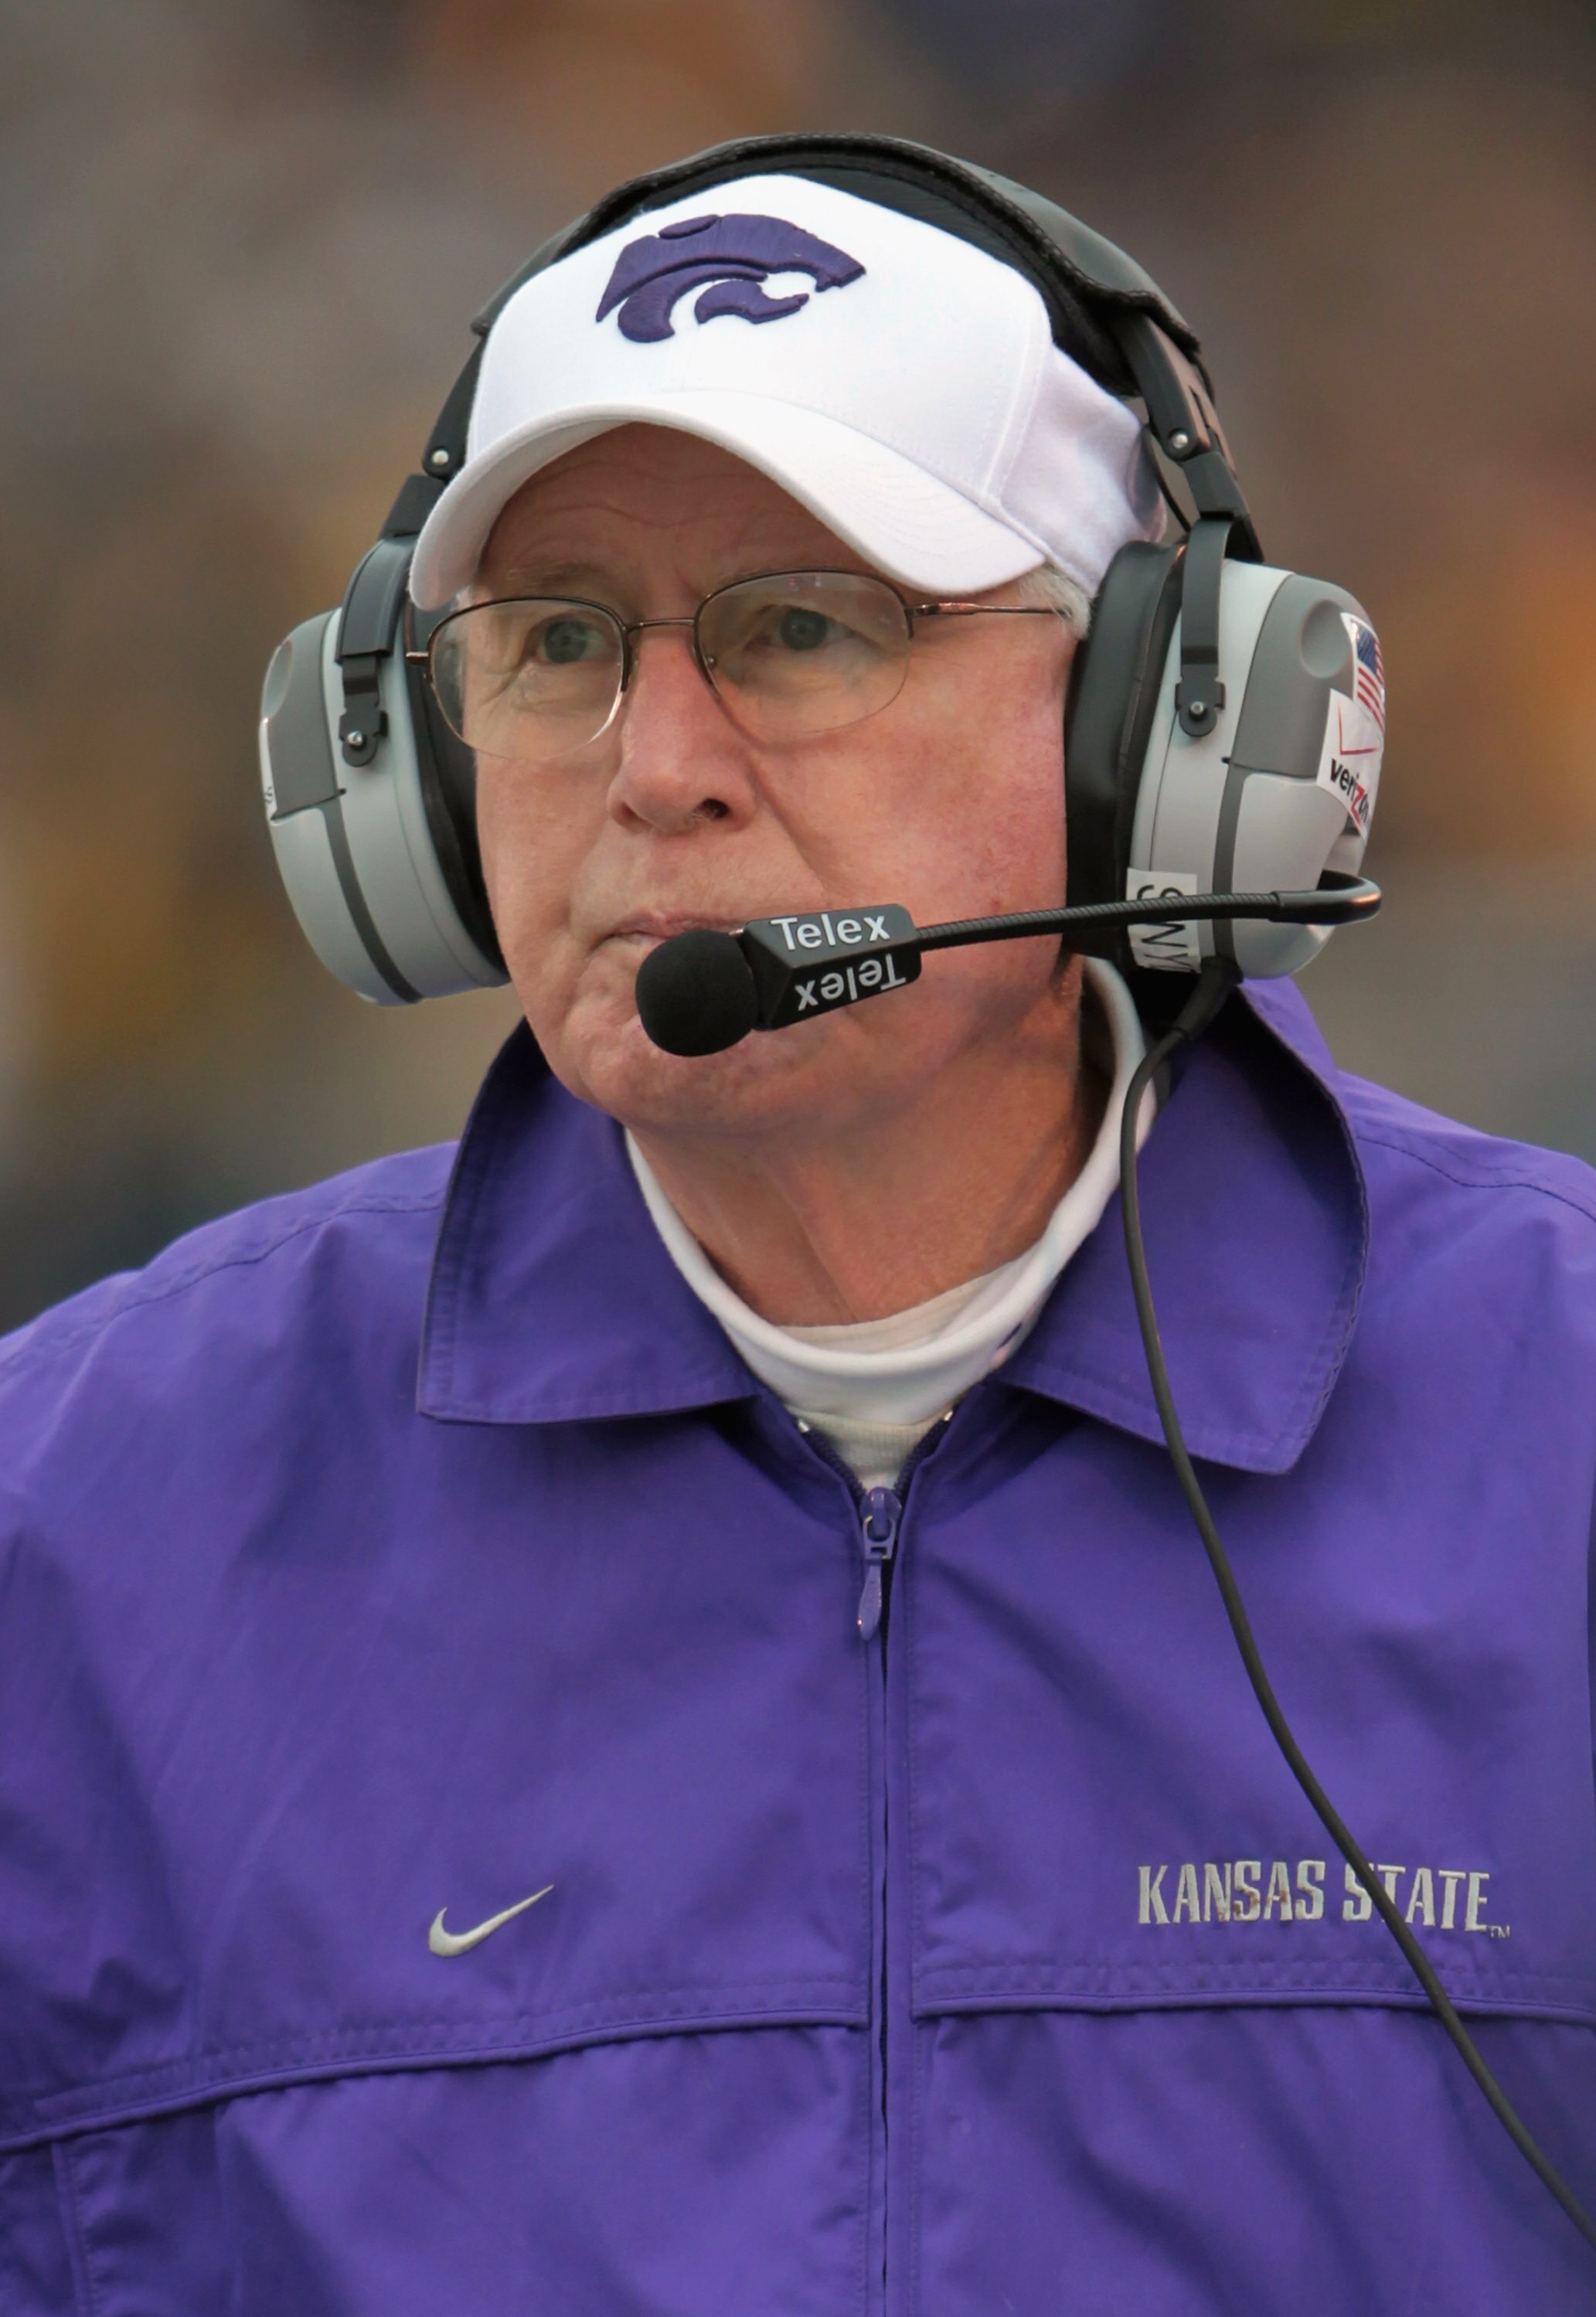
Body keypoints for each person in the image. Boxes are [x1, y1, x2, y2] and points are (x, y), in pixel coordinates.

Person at [3, 140, 1595, 2317]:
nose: (656, 762)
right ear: (410, 770)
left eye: (800, 630)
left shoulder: (1567, 1430)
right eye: (556, 643)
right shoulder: (68, 1525)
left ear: (1162, 726)